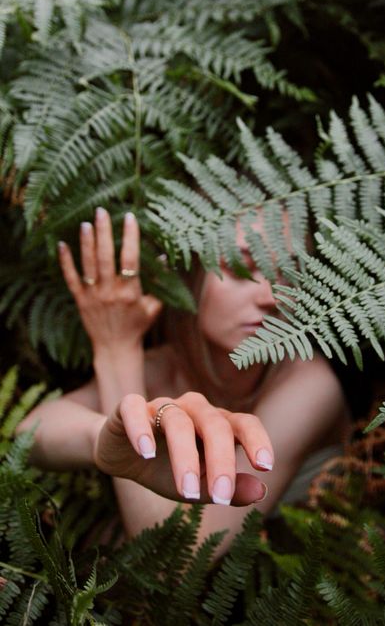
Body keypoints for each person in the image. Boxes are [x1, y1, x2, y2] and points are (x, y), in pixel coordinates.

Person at [18, 206, 351, 557]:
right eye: (241, 267)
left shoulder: (308, 383)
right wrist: (105, 434)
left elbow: (177, 561)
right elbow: (30, 434)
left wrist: (118, 351)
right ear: (187, 273)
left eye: (287, 272)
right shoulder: (167, 364)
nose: (270, 295)